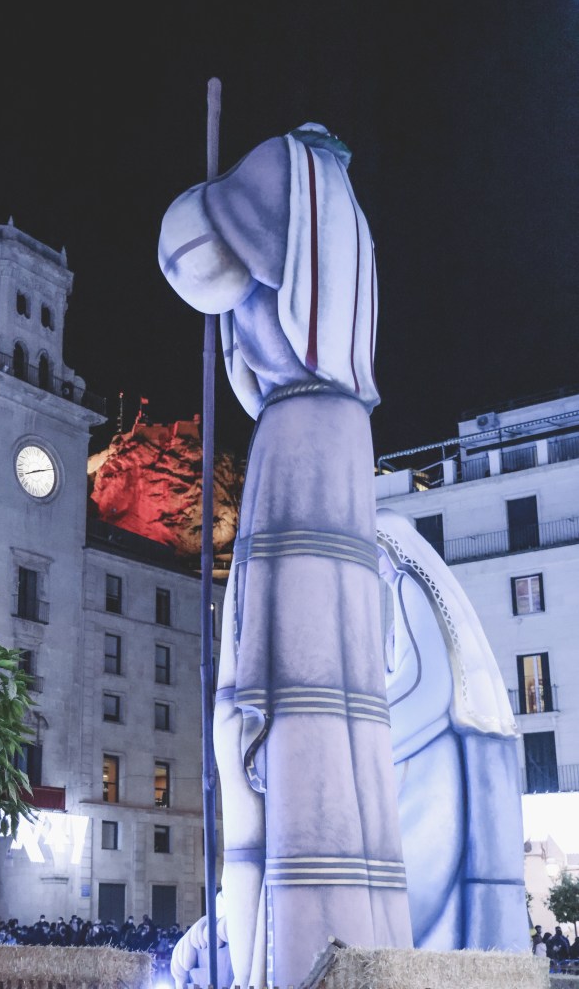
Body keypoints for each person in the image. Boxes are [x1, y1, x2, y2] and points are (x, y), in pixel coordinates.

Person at [159, 121, 412, 987]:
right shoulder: (343, 218)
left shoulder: (284, 171)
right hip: (332, 452)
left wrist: (201, 218)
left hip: (299, 452)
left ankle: (291, 941)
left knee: (290, 687)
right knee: (323, 692)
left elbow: (188, 240)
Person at [376, 508, 529, 952]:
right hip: (443, 755)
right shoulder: (412, 592)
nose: (377, 565)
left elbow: (423, 681)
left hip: (430, 759)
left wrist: (368, 729)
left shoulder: (408, 587)